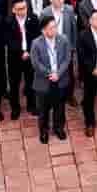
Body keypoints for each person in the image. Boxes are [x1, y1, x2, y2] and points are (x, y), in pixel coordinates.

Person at [31, 13, 71, 144]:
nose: (54, 30)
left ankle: (59, 128)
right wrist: (50, 73)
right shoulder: (36, 43)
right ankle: (44, 131)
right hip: (43, 81)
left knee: (59, 107)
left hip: (60, 79)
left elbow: (67, 58)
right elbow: (36, 64)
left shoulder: (63, 39)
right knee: (43, 109)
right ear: (43, 30)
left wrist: (58, 73)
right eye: (51, 28)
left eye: (55, 27)